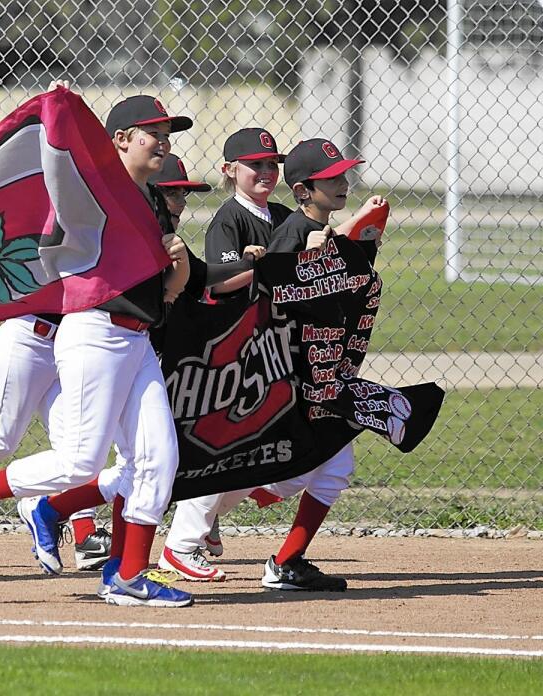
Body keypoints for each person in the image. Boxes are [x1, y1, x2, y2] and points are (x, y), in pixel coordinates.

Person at [0, 92, 202, 607]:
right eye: (153, 133)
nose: (163, 142)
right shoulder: (95, 190)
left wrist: (177, 264)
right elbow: (60, 191)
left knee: (157, 457)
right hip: (95, 331)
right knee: (80, 463)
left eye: (168, 134)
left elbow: (167, 292)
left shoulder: (149, 202)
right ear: (120, 139)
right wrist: (60, 110)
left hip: (137, 338)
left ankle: (127, 575)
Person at [158, 129, 293, 583]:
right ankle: (183, 537)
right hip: (238, 347)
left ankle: (204, 518)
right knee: (228, 444)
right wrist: (260, 263)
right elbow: (216, 283)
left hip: (274, 342)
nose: (267, 173)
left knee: (257, 455)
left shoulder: (281, 214)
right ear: (229, 170)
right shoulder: (230, 220)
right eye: (256, 165)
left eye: (272, 164)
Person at [251, 137, 385, 591]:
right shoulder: (292, 232)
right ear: (304, 190)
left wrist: (361, 233)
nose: (342, 182)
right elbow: (275, 294)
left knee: (333, 464)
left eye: (343, 175)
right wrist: (309, 254)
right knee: (275, 469)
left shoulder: (316, 228)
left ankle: (286, 561)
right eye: (331, 179)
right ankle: (200, 515)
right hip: (295, 370)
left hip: (324, 367)